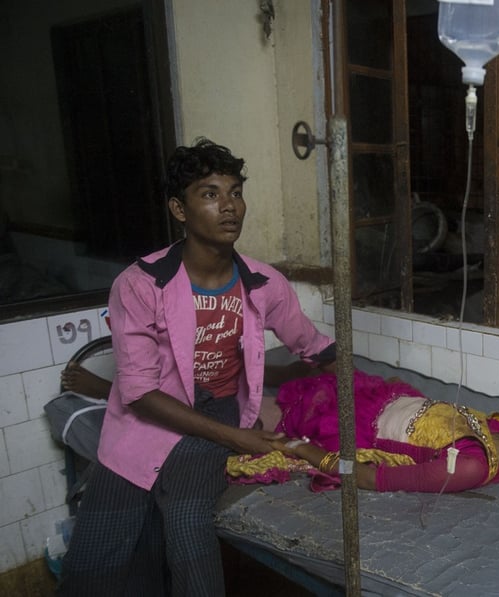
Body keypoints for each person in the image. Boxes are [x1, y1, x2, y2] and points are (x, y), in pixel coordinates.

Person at [58, 138, 336, 597]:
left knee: (187, 521)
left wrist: (364, 390)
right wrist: (240, 440)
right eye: (209, 194)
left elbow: (312, 347)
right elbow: (141, 393)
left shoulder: (265, 284)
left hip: (218, 408)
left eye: (235, 192)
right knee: (93, 561)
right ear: (179, 209)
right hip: (143, 420)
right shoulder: (141, 284)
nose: (229, 207)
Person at [268, 370, 499, 493]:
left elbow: (371, 478)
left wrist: (305, 451)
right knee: (302, 374)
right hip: (377, 398)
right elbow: (439, 421)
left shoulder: (470, 467)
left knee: (266, 412)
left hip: (347, 427)